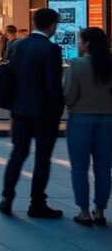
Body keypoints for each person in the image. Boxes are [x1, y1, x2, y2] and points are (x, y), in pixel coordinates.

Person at [0, 7, 64, 219]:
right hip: (44, 113)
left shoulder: (18, 45)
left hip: (19, 110)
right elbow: (53, 86)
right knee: (42, 159)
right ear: (52, 25)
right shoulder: (51, 49)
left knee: (17, 155)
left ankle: (7, 198)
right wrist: (58, 111)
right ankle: (37, 203)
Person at [63, 27, 112, 227]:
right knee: (103, 168)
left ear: (88, 43)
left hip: (80, 119)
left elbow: (69, 94)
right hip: (108, 119)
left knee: (80, 167)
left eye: (80, 41)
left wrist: (72, 105)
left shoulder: (77, 64)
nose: (78, 44)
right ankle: (100, 211)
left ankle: (84, 212)